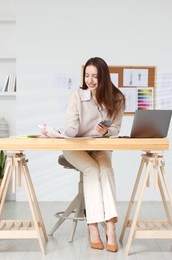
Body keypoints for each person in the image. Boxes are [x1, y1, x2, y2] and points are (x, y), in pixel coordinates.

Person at [42, 57, 125, 252]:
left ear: (104, 77)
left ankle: (111, 226)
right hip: (76, 147)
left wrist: (107, 131)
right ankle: (93, 226)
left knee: (105, 169)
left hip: (99, 146)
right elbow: (71, 126)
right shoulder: (77, 96)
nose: (90, 80)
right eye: (87, 75)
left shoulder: (117, 98)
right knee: (92, 169)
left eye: (95, 76)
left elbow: (116, 128)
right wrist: (60, 133)